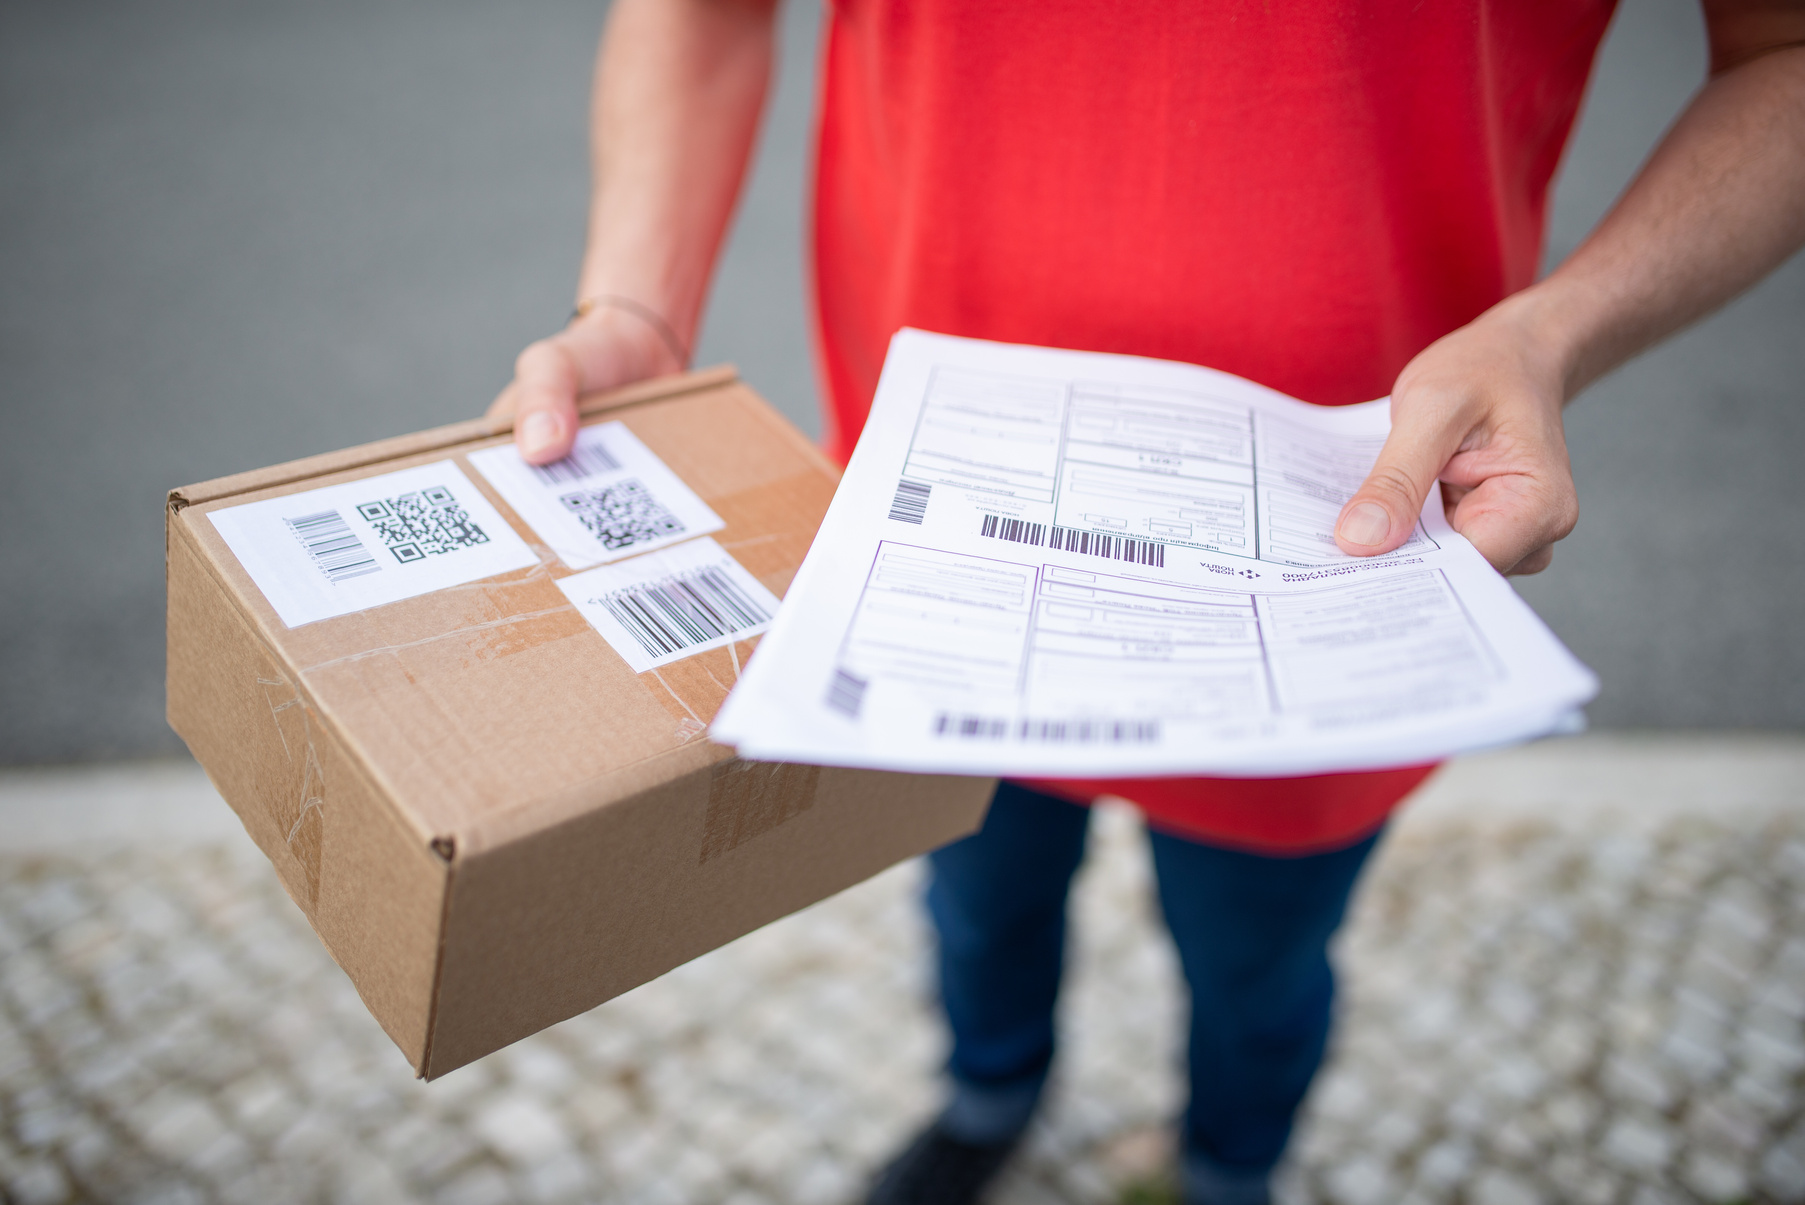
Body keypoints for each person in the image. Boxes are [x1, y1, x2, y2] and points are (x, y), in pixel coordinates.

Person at [489, 2, 1805, 1202]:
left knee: (1256, 962)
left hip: (1329, 545)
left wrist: (1554, 330)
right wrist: (638, 312)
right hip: (940, 526)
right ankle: (987, 1098)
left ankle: (1230, 1167)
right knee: (976, 898)